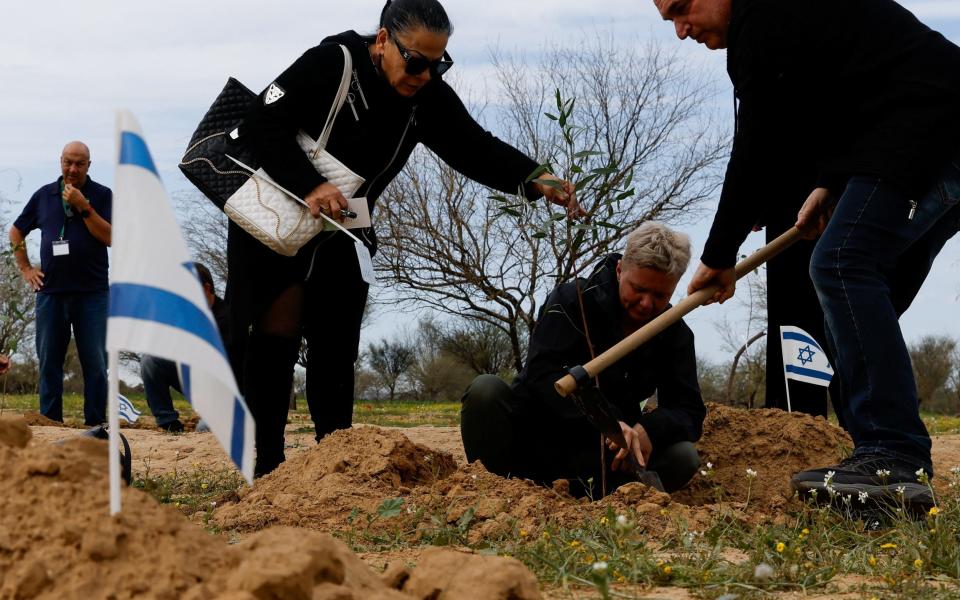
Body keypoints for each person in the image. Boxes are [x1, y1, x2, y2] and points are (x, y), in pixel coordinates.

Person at [226, 0, 582, 477]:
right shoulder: (333, 62)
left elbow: (473, 145)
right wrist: (309, 183)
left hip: (345, 227)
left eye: (439, 64)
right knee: (276, 336)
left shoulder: (425, 97)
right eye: (416, 61)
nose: (426, 74)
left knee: (336, 345)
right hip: (277, 217)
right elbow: (259, 122)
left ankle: (339, 467)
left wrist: (537, 178)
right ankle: (268, 467)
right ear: (382, 41)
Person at [655, 0, 960, 507]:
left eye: (682, 9)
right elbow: (839, 100)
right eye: (669, 21)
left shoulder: (763, 17)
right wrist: (830, 184)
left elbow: (757, 143)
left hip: (931, 129)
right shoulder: (795, 19)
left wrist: (719, 253)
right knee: (854, 302)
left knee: (840, 263)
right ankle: (879, 467)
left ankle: (892, 453)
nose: (682, 31)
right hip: (924, 132)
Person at [461, 222, 705, 497]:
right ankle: (494, 492)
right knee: (485, 390)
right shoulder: (570, 300)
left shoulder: (675, 333)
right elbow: (540, 375)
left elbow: (690, 411)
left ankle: (609, 499)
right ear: (620, 269)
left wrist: (649, 429)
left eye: (661, 295)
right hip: (535, 442)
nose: (646, 303)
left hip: (601, 462)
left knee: (684, 457)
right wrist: (607, 422)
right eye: (638, 289)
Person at [9, 141, 112, 425]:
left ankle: (96, 424)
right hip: (50, 293)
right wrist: (26, 268)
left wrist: (84, 206)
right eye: (68, 162)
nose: (73, 169)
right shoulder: (44, 195)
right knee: (50, 363)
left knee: (95, 363)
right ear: (60, 161)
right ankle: (50, 422)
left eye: (79, 163)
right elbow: (16, 232)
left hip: (92, 294)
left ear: (89, 165)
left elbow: (111, 238)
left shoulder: (102, 195)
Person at [141, 263, 231, 433]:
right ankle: (168, 422)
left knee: (205, 429)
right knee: (151, 360)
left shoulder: (227, 318)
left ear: (206, 288)